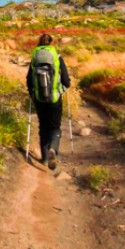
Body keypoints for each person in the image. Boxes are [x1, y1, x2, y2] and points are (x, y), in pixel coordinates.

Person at [26, 32, 71, 170]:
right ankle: (53, 149)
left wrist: (32, 93)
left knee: (43, 126)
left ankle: (45, 158)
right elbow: (66, 81)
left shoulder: (35, 57)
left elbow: (29, 79)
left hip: (39, 98)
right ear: (51, 43)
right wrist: (63, 88)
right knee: (55, 127)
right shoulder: (57, 57)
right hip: (54, 99)